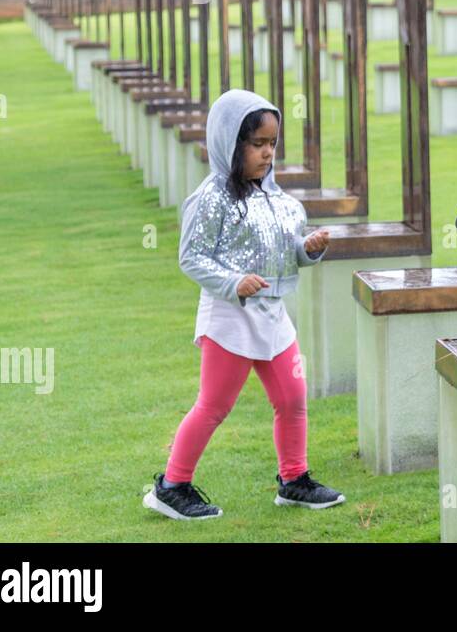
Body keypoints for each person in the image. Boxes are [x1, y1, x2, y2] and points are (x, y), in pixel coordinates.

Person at [143, 88, 345, 520]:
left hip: (273, 315)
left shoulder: (278, 199)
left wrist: (307, 247)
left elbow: (284, 248)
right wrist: (233, 282)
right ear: (229, 143)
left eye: (272, 144)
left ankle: (294, 479)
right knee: (214, 404)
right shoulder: (211, 197)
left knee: (293, 396)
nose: (267, 153)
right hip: (229, 317)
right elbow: (191, 257)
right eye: (257, 144)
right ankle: (172, 485)